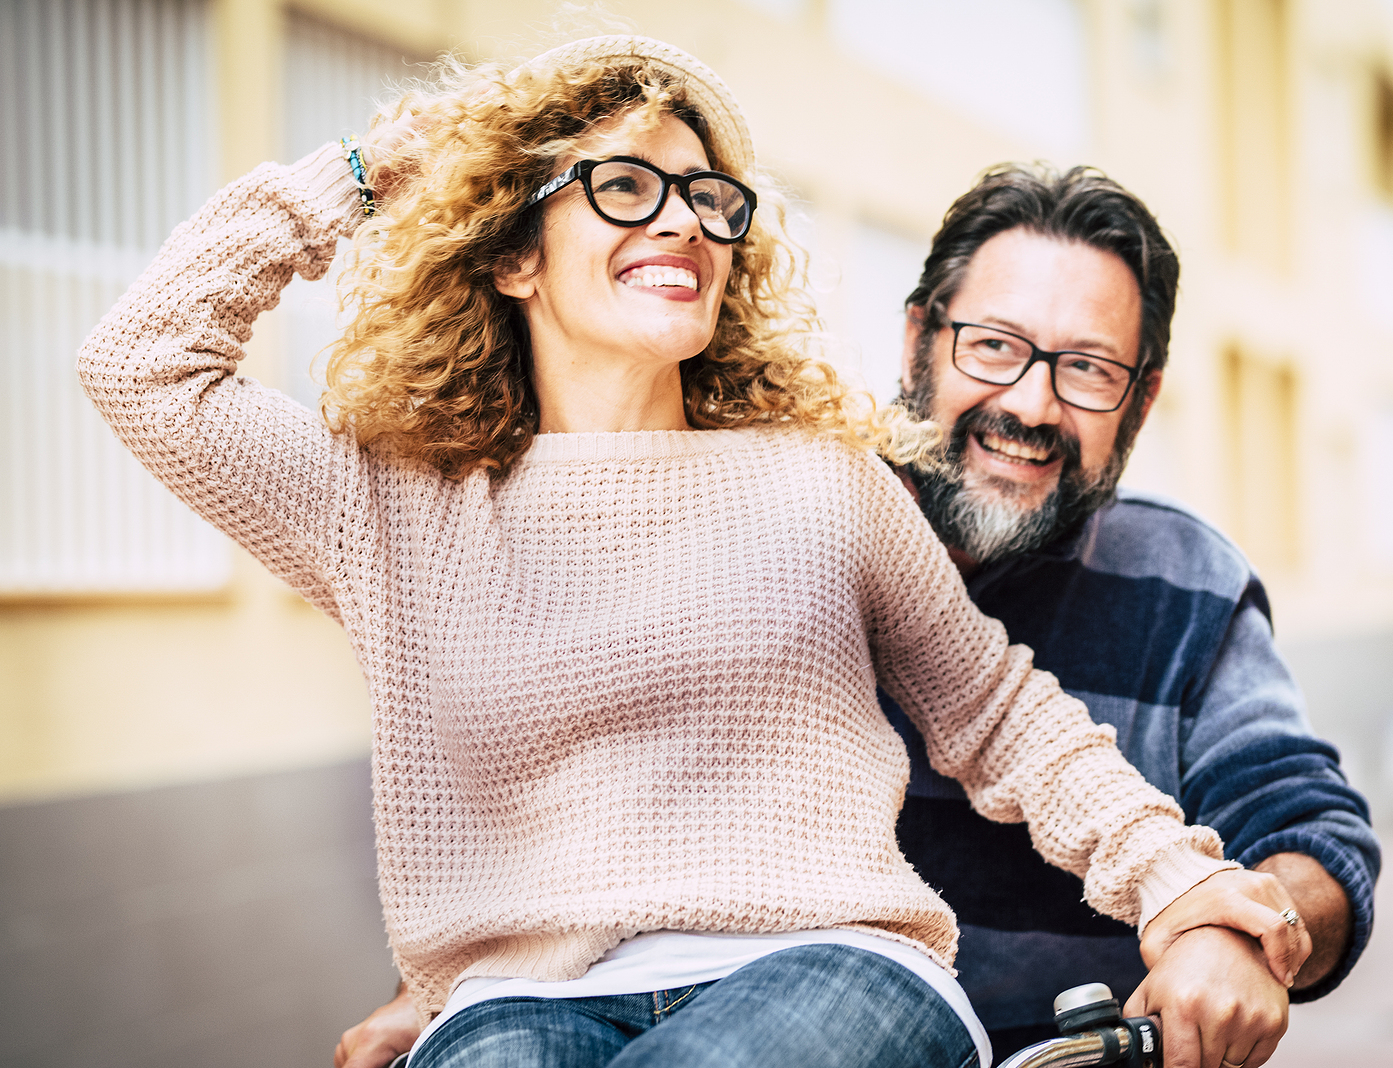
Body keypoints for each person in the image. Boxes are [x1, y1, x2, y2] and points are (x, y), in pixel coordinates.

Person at [81, 35, 1310, 1068]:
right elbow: (141, 366)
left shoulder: (820, 479)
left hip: (838, 976)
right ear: (513, 252)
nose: (683, 219)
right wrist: (362, 172)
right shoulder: (391, 504)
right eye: (624, 185)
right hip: (514, 1004)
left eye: (706, 197)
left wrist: (1176, 883)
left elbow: (1000, 715)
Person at [885, 164, 1381, 1061]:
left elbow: (1309, 832)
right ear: (920, 336)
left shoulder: (1190, 583)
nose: (1031, 405)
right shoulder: (799, 521)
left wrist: (1233, 933)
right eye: (994, 345)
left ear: (1142, 402)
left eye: (1086, 369)